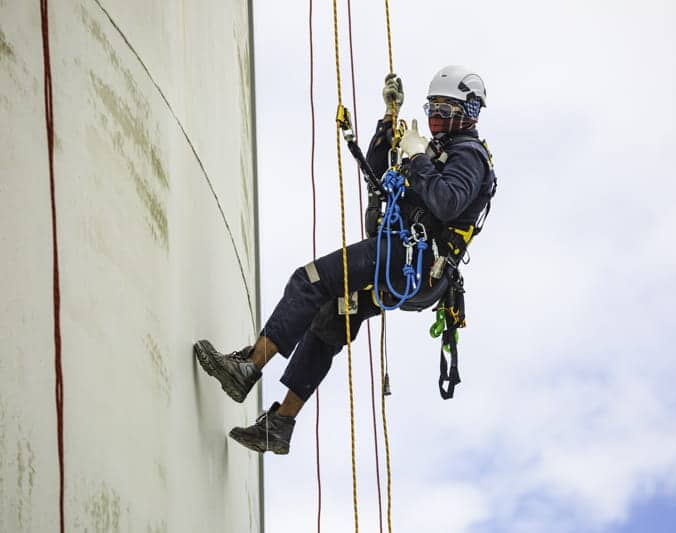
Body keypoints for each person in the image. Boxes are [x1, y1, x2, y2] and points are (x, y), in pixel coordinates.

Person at [194, 65, 495, 455]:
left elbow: (446, 201)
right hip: (410, 269)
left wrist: (419, 158)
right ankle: (281, 424)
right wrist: (386, 127)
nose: (435, 119)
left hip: (412, 260)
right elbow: (380, 175)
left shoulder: (469, 156)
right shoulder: (440, 151)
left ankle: (247, 367)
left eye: (444, 112)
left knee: (309, 280)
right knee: (330, 320)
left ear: (467, 113)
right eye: (432, 110)